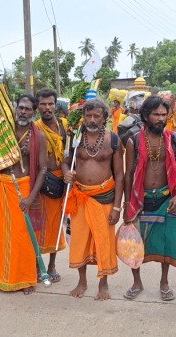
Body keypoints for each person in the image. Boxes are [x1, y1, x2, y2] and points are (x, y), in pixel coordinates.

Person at [123, 96, 176, 301]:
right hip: (139, 200)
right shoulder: (133, 141)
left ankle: (164, 282)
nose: (161, 118)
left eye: (163, 114)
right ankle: (136, 282)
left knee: (166, 243)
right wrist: (126, 204)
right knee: (135, 243)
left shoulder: (174, 139)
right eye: (156, 114)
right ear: (145, 116)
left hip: (165, 199)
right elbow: (128, 174)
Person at [62, 98, 124, 301]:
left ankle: (103, 284)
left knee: (103, 241)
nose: (92, 119)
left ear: (105, 118)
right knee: (79, 239)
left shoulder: (114, 140)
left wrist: (117, 207)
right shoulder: (75, 137)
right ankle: (82, 281)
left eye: (97, 115)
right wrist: (66, 173)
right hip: (79, 196)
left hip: (104, 198)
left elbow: (120, 175)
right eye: (88, 115)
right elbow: (65, 161)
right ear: (83, 116)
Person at [0, 94, 47, 295]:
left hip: (24, 188)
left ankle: (26, 279)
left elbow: (42, 169)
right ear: (15, 108)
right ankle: (0, 278)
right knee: (1, 235)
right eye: (20, 107)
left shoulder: (38, 136)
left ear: (34, 112)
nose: (23, 112)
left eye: (28, 109)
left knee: (24, 237)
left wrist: (31, 197)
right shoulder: (4, 131)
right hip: (5, 186)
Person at [33, 88, 67, 283]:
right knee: (39, 224)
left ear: (56, 105)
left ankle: (52, 265)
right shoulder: (34, 128)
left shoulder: (63, 125)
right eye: (43, 104)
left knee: (56, 223)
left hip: (60, 181)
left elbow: (68, 152)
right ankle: (38, 265)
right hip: (41, 181)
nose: (47, 108)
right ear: (37, 107)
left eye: (50, 104)